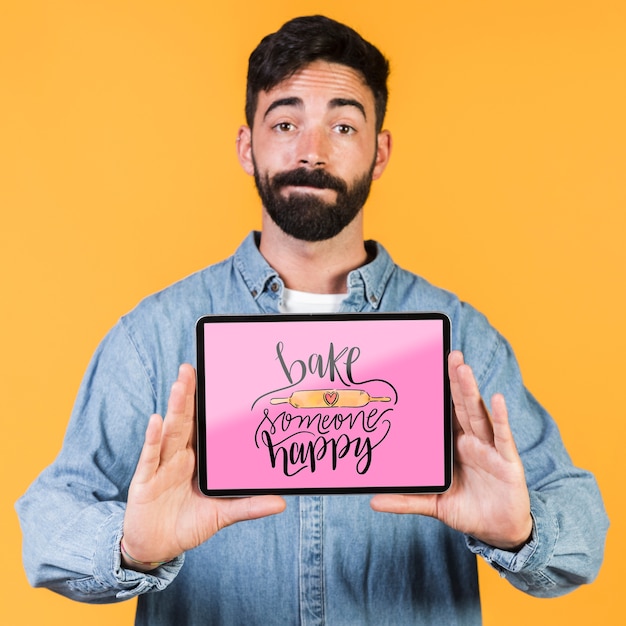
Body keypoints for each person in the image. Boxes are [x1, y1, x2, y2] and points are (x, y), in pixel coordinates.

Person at [17, 15, 608, 625]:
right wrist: (128, 546)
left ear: (379, 152)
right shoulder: (153, 339)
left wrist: (523, 533)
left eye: (343, 125)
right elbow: (49, 523)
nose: (311, 151)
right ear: (248, 146)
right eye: (286, 123)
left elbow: (582, 532)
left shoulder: (460, 342)